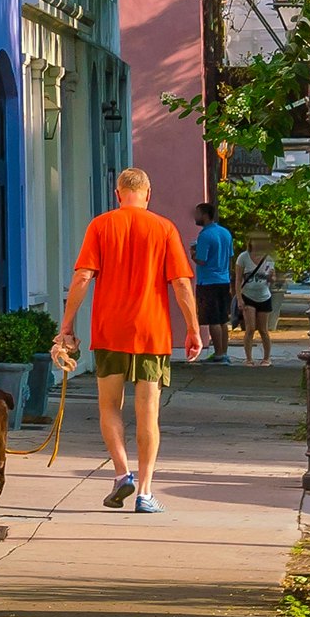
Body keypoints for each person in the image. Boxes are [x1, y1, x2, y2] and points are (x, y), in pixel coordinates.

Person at [53, 168, 200, 514]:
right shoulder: (164, 228)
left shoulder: (100, 226)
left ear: (118, 193)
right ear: (148, 193)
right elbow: (180, 284)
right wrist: (193, 328)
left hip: (110, 331)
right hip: (152, 333)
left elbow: (82, 277)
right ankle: (145, 493)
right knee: (148, 413)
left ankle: (122, 473)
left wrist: (67, 325)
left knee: (109, 407)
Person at [192, 200, 238, 364]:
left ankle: (218, 354)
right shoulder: (225, 233)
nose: (195, 217)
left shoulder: (205, 235)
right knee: (222, 319)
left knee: (212, 320)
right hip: (223, 279)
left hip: (208, 281)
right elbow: (230, 255)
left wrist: (193, 253)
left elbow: (201, 260)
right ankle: (223, 352)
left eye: (197, 213)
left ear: (205, 215)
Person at [235, 236, 278, 364]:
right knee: (250, 328)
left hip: (264, 296)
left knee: (263, 329)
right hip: (248, 295)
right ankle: (248, 358)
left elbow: (272, 280)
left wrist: (271, 277)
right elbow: (238, 280)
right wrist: (239, 298)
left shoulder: (268, 259)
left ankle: (267, 358)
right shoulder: (243, 257)